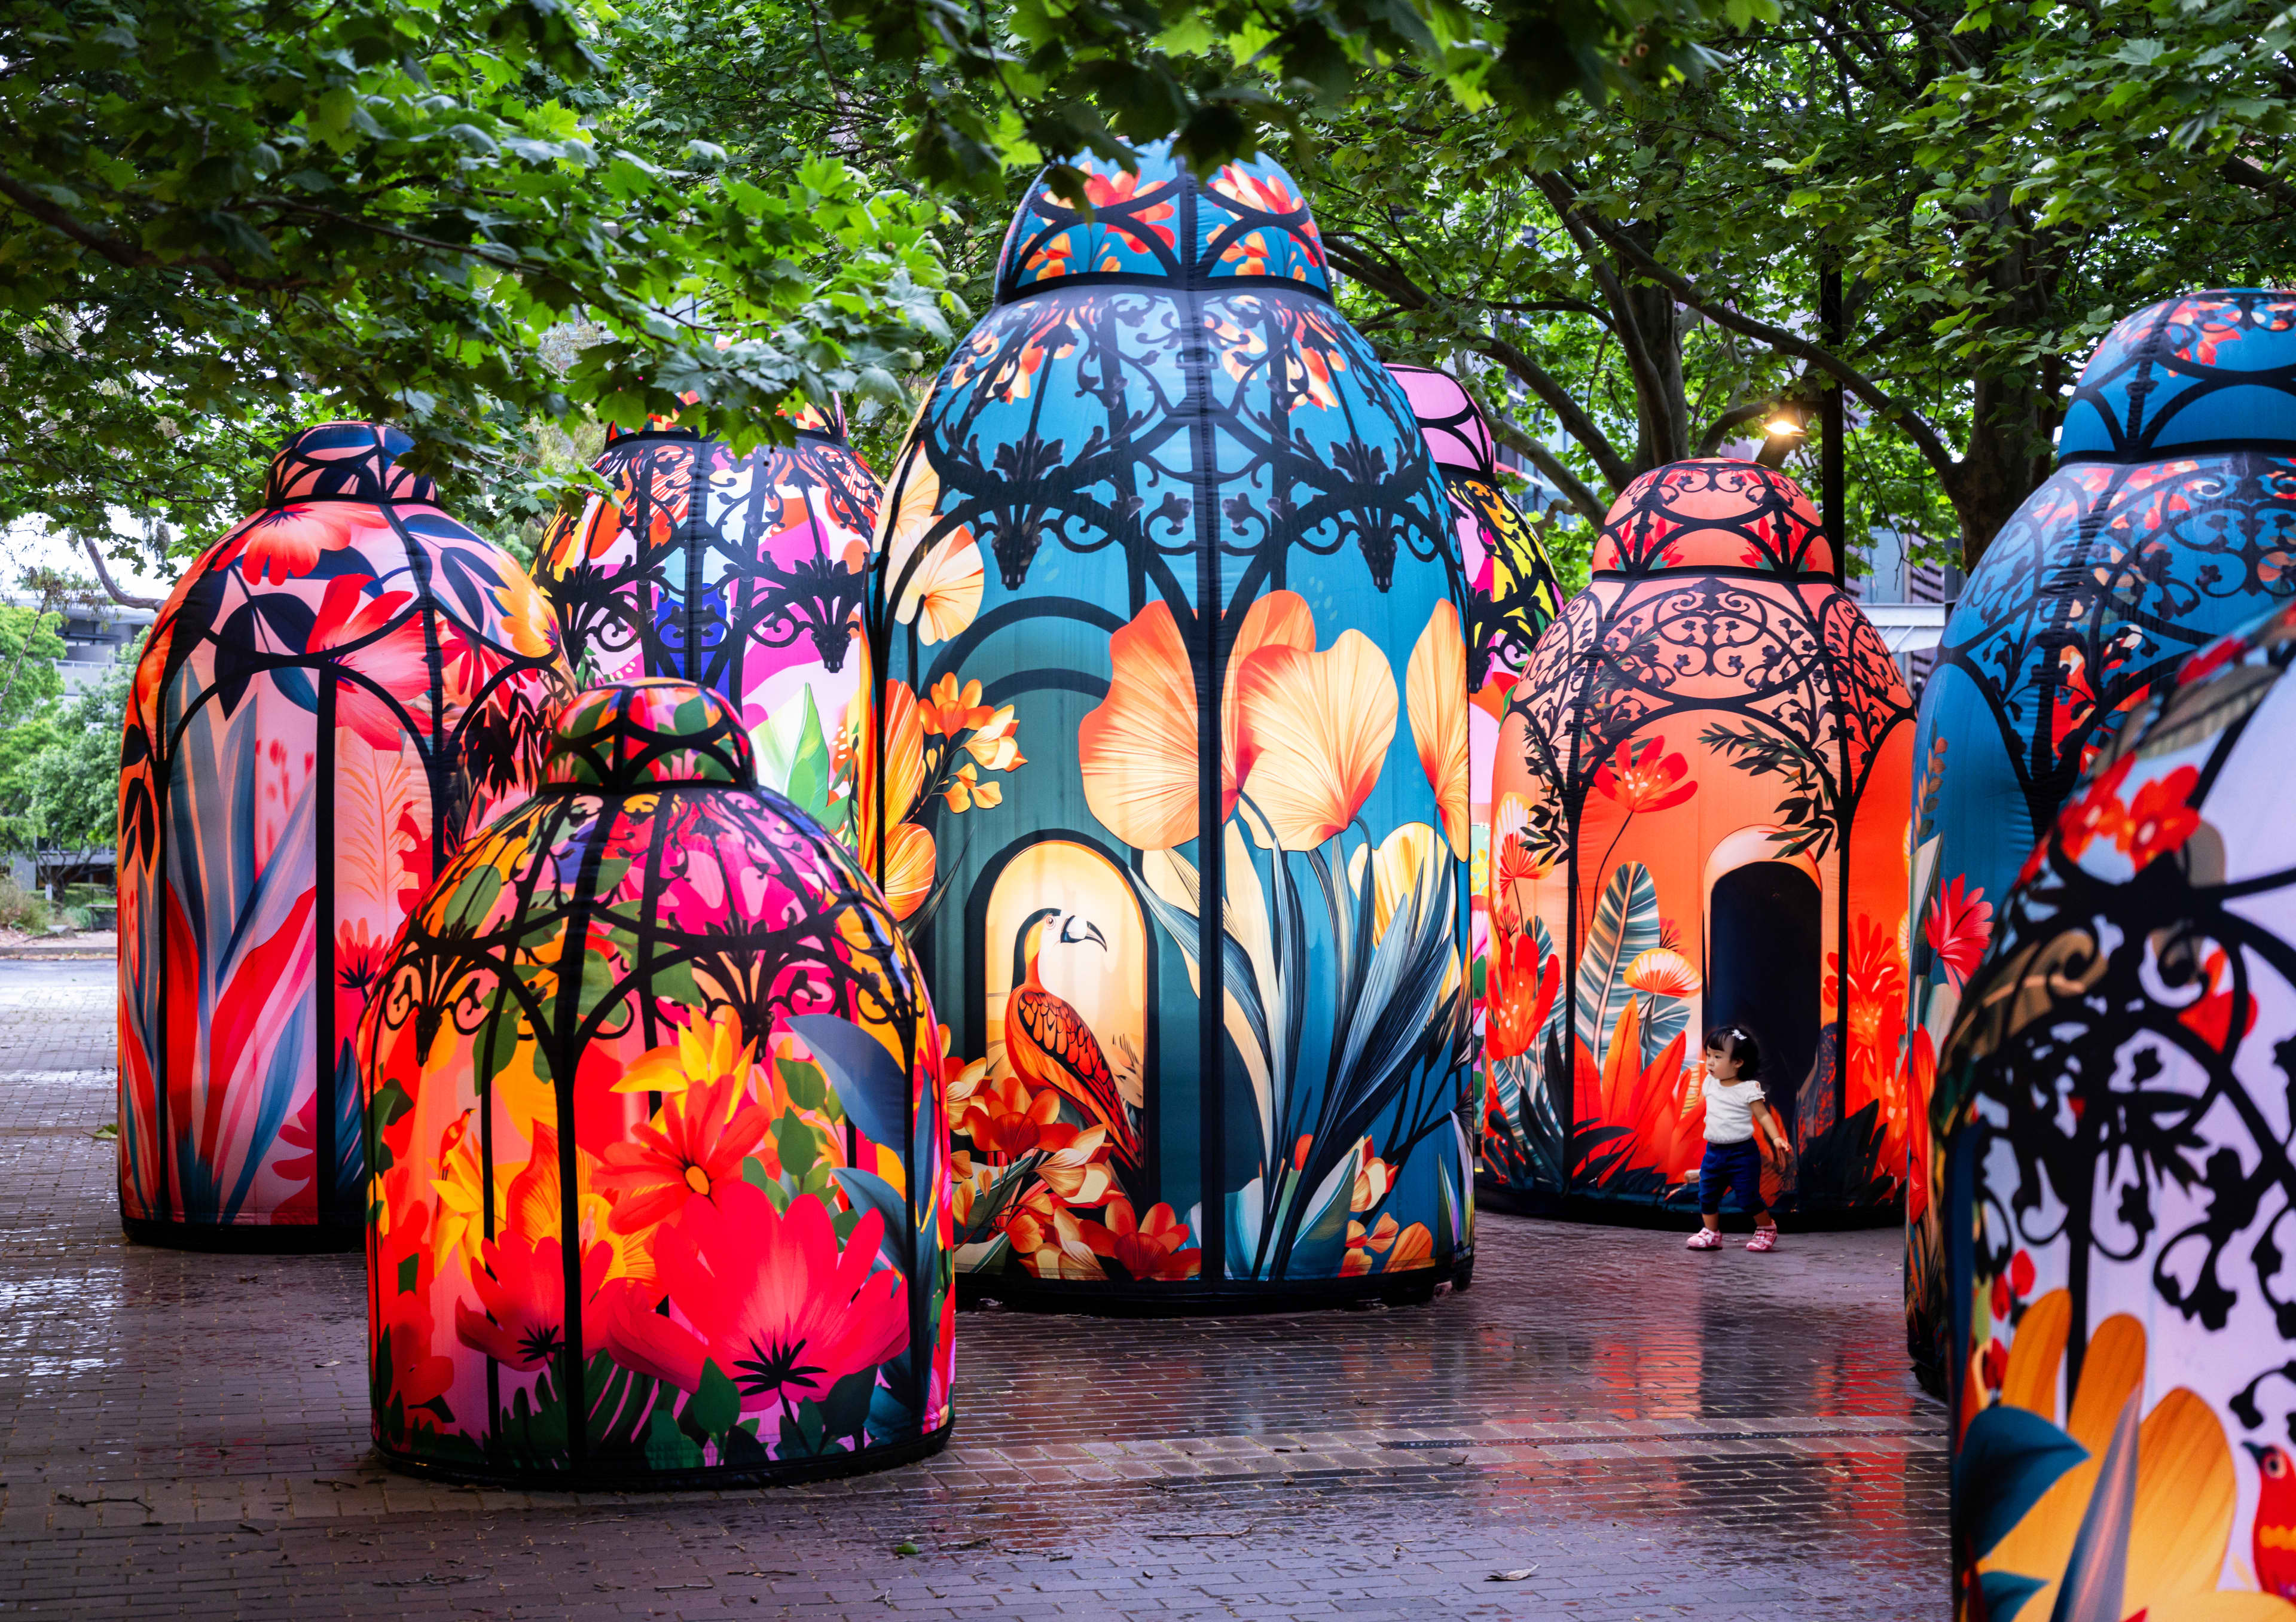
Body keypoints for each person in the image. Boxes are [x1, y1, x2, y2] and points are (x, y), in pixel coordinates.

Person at [1685, 1023, 1791, 1252]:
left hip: (1742, 1153)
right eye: (1709, 1055)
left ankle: (1766, 1229)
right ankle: (1711, 1233)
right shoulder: (1710, 1083)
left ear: (1738, 1063)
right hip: (1714, 1151)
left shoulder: (1748, 1089)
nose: (1710, 1062)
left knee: (1748, 1197)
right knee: (1707, 1194)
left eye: (1717, 1057)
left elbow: (1763, 1116)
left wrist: (1776, 1139)